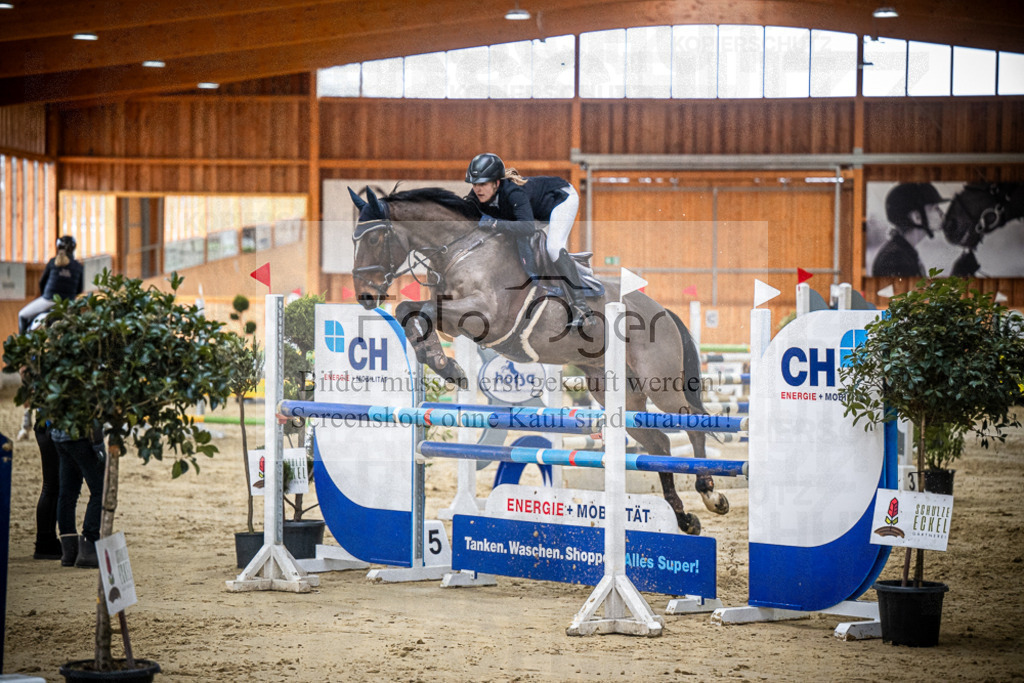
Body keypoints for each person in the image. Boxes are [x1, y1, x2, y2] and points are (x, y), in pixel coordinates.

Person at [463, 152, 593, 330]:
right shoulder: (479, 194)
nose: (478, 189)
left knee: (553, 248)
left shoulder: (514, 194)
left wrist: (493, 224)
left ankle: (582, 309)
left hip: (560, 200)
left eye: (483, 184)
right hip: (532, 212)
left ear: (497, 183)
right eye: (475, 184)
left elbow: (527, 228)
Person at [51, 421, 105, 568]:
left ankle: (69, 551)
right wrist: (98, 444)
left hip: (59, 436)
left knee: (67, 492)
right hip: (80, 437)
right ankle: (89, 544)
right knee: (101, 490)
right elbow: (93, 411)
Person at [872, 183, 946, 278]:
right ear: (917, 217)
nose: (941, 213)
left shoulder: (902, 253)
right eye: (935, 208)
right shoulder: (895, 260)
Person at [18, 235, 84, 335]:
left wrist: (45, 295)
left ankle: (22, 345)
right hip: (68, 304)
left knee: (22, 315)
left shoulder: (53, 262)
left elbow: (42, 282)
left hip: (48, 300)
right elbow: (80, 289)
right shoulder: (78, 267)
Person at [31, 420, 62, 560]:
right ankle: (44, 541)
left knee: (51, 486)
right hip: (50, 428)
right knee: (52, 487)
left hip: (43, 427)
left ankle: (46, 539)